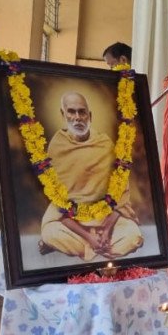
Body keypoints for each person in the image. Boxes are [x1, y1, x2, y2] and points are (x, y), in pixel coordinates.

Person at [39, 92, 144, 260]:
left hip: (105, 218)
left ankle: (84, 247)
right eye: (71, 112)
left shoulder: (105, 145)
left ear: (90, 116)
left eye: (82, 112)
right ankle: (99, 247)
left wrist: (106, 230)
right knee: (51, 233)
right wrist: (89, 237)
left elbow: (120, 195)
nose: (77, 117)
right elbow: (60, 206)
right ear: (63, 115)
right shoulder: (57, 147)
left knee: (133, 236)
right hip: (71, 221)